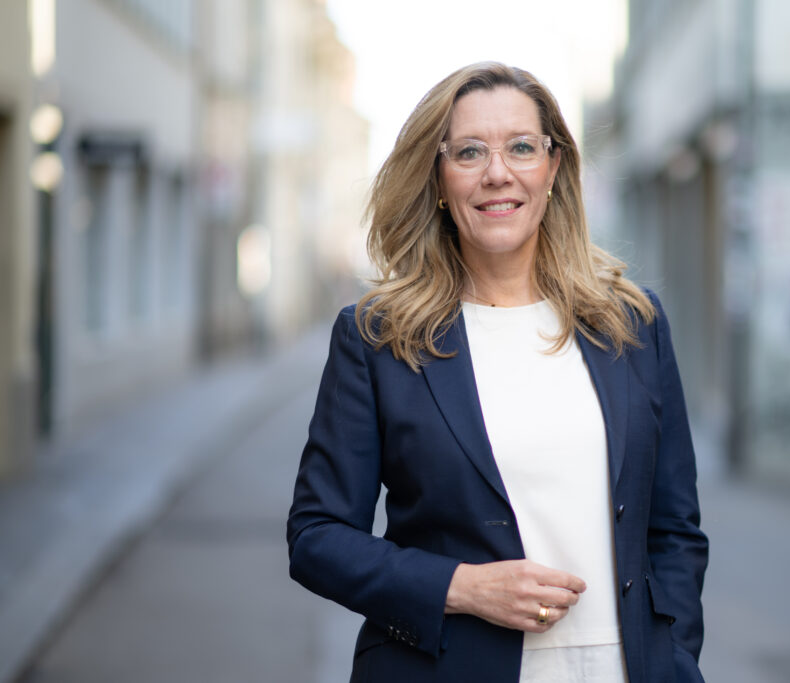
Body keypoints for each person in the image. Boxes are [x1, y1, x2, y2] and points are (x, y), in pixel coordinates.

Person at [287, 62, 708, 683]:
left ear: (553, 167)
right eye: (469, 152)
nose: (497, 173)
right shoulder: (378, 337)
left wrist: (675, 657)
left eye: (521, 147)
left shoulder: (630, 324)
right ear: (438, 177)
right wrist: (460, 587)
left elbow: (675, 529)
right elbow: (317, 536)